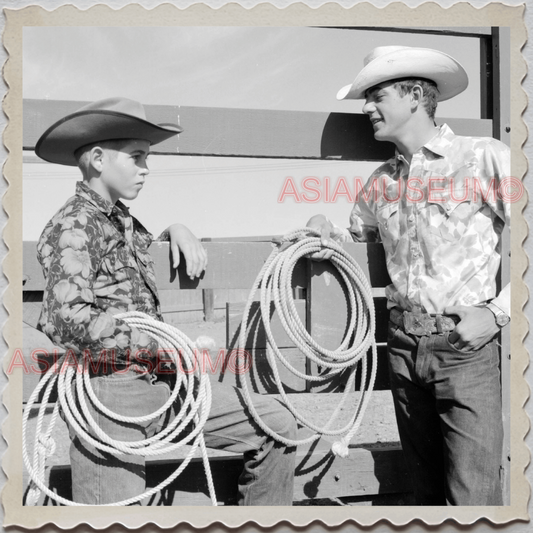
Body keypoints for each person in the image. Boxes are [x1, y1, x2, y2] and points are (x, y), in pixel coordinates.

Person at [35, 97, 297, 505]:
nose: (146, 169)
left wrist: (175, 228)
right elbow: (67, 318)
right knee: (116, 517)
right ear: (99, 159)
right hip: (112, 390)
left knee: (276, 426)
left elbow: (126, 277)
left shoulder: (121, 221)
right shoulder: (72, 224)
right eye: (137, 157)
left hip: (163, 380)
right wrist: (162, 348)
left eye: (147, 158)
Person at [306, 46, 510, 505]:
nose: (366, 108)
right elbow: (355, 235)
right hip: (402, 349)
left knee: (473, 500)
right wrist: (324, 226)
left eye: (377, 95)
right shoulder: (381, 181)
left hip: (464, 349)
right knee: (426, 497)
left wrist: (497, 314)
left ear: (416, 94)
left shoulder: (482, 158)